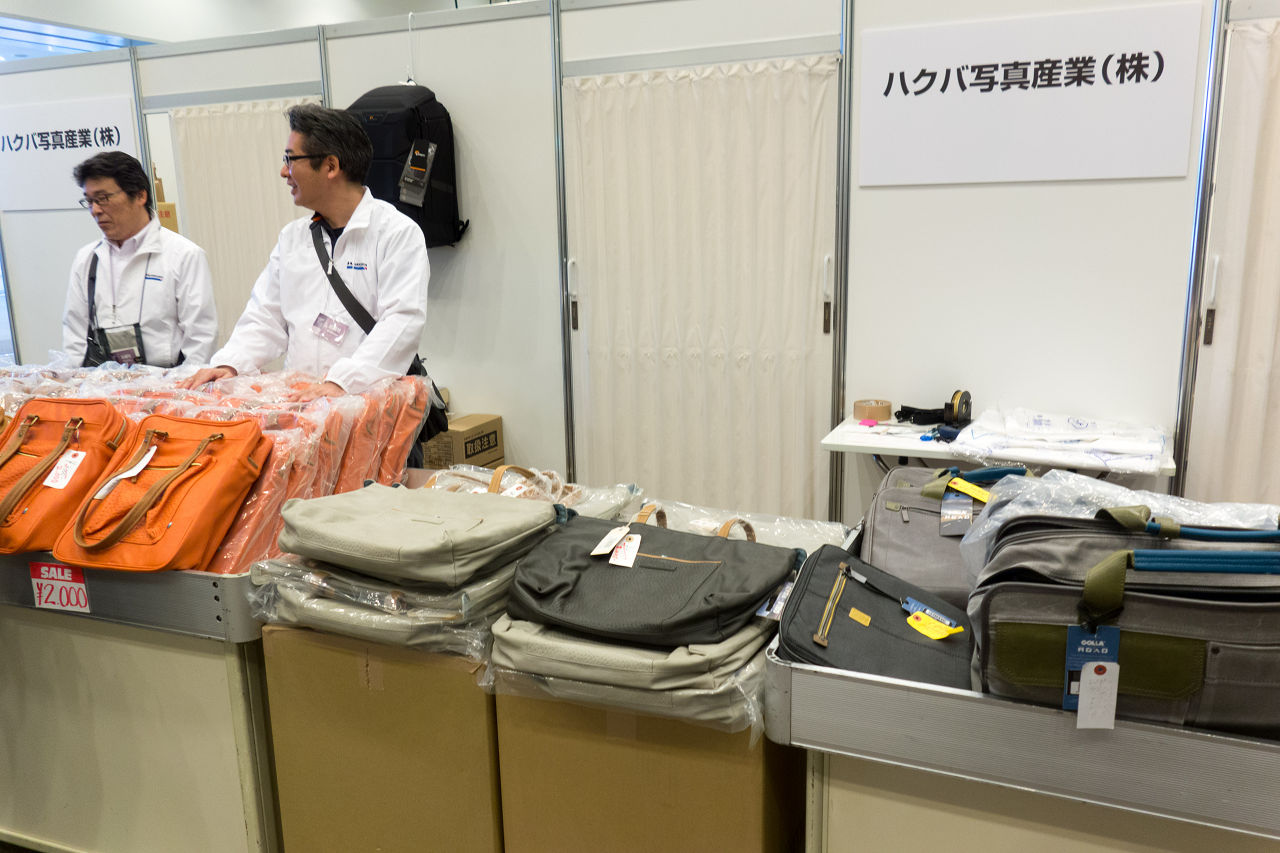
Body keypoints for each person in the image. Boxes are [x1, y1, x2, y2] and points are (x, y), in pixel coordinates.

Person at [179, 104, 429, 404]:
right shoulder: (293, 238)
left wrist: (343, 382)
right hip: (304, 405)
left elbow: (401, 322)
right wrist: (230, 363)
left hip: (365, 406)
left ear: (330, 166)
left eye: (291, 159)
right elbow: (265, 316)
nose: (284, 172)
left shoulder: (396, 233)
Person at [64, 151, 216, 367]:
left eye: (103, 199)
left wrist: (183, 385)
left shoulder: (183, 255)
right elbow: (75, 337)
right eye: (89, 201)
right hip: (103, 382)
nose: (95, 210)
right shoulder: (87, 259)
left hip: (169, 381)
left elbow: (201, 340)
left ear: (139, 196)